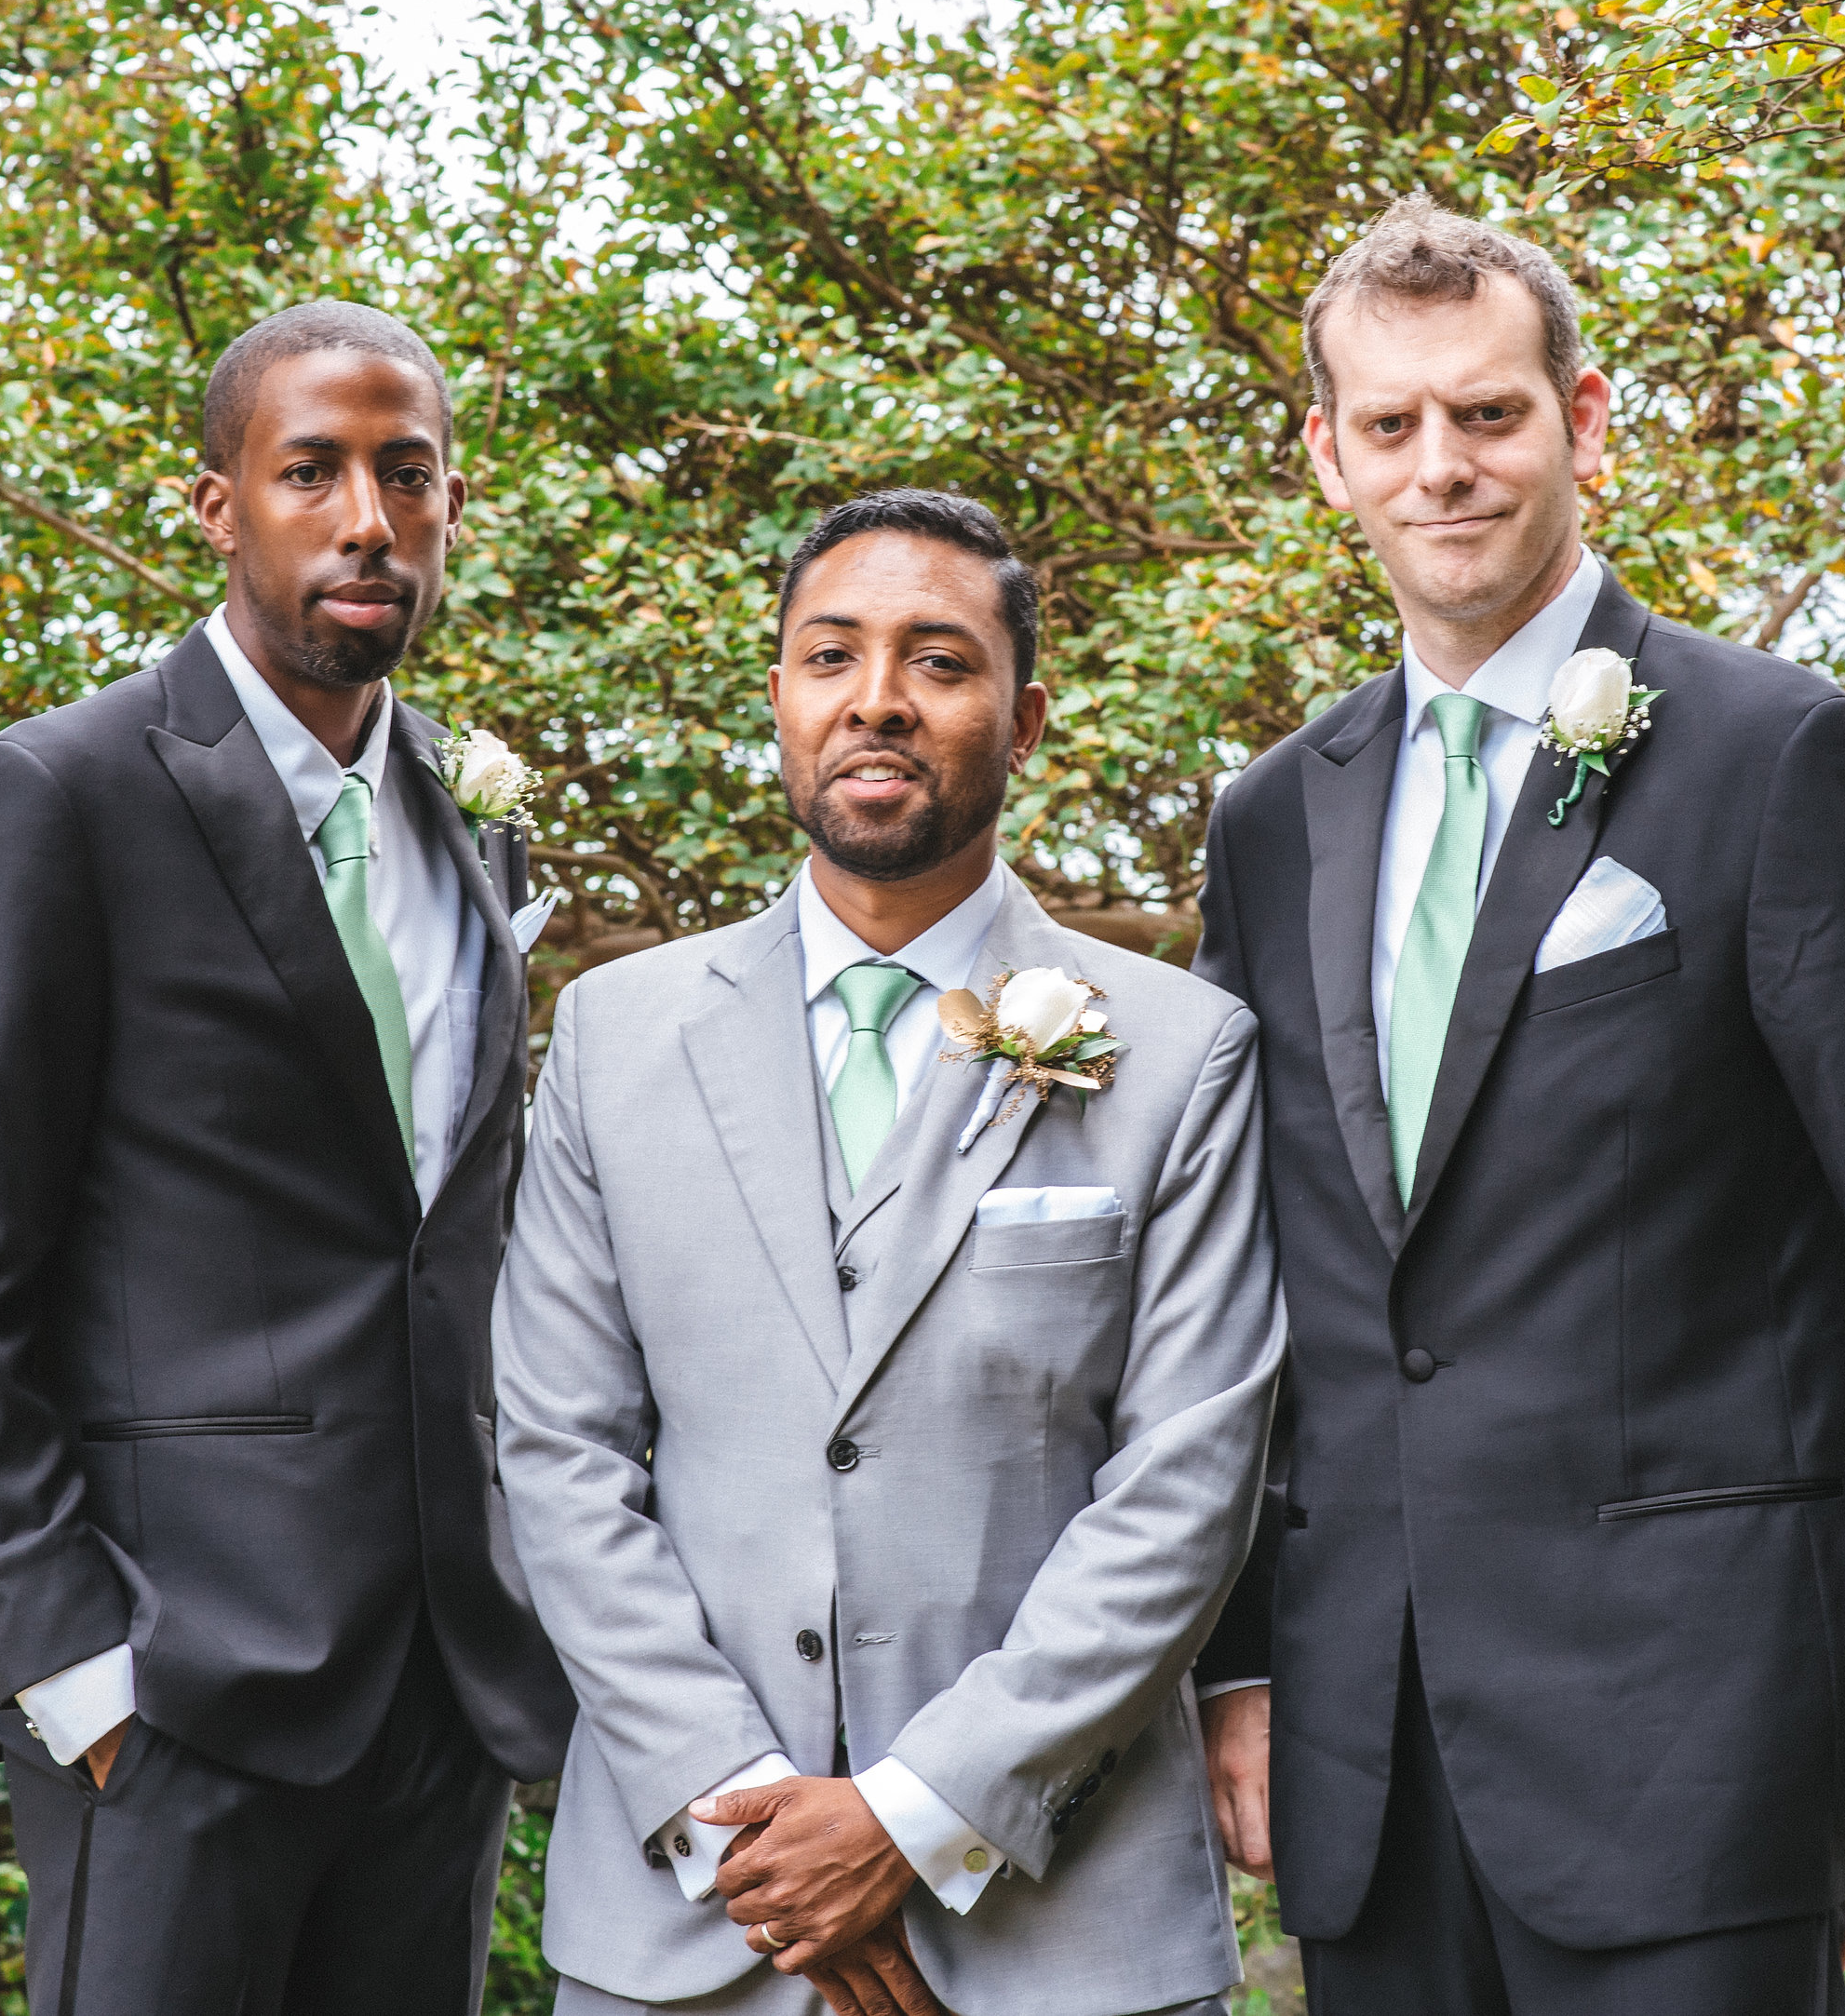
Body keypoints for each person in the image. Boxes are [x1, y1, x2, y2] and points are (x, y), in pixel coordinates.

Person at [1187, 198, 1845, 2012]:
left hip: (1703, 1748)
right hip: (1365, 1765)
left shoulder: (1774, 754)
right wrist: (1243, 1658)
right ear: (1328, 457)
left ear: (1584, 421)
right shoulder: (1274, 818)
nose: (1443, 466)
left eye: (1490, 413)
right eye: (1391, 424)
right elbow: (1233, 1288)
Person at [0, 302, 572, 2014]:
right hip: (169, 1689)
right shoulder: (58, 795)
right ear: (217, 506)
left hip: (441, 1691)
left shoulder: (465, 814)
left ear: (453, 507)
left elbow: (446, 1238)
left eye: (409, 475)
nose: (367, 520)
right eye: (311, 472)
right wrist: (70, 1667)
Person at [494, 489, 1286, 2016]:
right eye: (831, 655)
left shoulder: (1184, 1052)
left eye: (939, 660)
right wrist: (748, 1825)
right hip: (694, 1926)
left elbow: (1189, 1481)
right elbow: (558, 1452)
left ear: (1025, 718)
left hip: (1063, 1936)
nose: (877, 700)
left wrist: (917, 1817)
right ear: (779, 700)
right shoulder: (611, 1036)